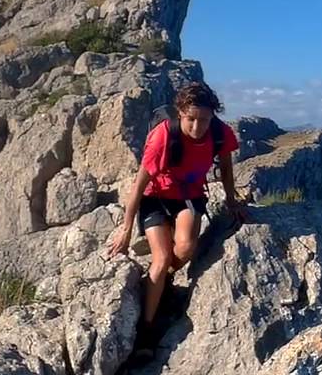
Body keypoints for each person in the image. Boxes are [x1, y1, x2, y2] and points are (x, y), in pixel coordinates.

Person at [106, 81, 247, 338]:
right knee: (160, 259)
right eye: (191, 119)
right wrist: (125, 230)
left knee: (185, 248)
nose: (197, 127)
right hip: (155, 198)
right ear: (180, 112)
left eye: (204, 120)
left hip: (189, 197)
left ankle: (161, 282)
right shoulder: (163, 136)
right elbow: (138, 186)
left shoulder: (220, 133)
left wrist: (231, 201)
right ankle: (147, 328)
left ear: (212, 116)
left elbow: (226, 169)